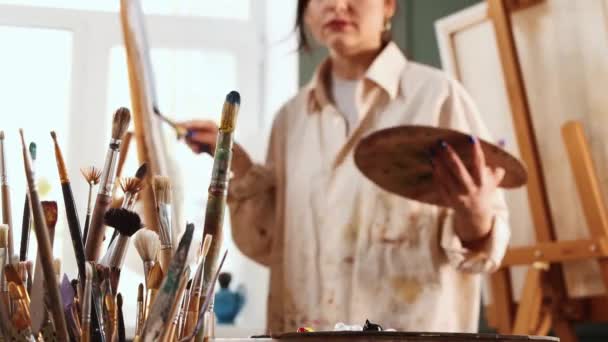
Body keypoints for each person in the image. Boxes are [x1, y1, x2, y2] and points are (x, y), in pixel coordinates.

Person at [181, 0, 510, 334]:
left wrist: (476, 216)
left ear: (389, 5)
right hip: (307, 329)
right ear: (305, 11)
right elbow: (272, 246)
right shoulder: (292, 119)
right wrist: (238, 164)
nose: (337, 5)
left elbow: (485, 247)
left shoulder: (437, 97)